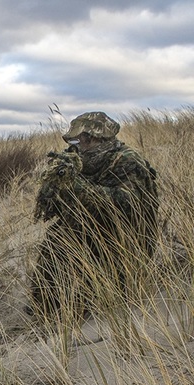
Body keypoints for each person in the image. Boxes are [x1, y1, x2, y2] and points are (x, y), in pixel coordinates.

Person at [29, 111, 159, 320]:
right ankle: (47, 307)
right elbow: (55, 208)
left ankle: (100, 298)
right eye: (76, 140)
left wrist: (77, 185)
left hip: (125, 240)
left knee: (108, 295)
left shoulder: (126, 161)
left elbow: (125, 205)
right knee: (56, 241)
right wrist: (54, 184)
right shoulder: (75, 160)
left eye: (83, 140)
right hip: (89, 230)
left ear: (99, 139)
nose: (78, 146)